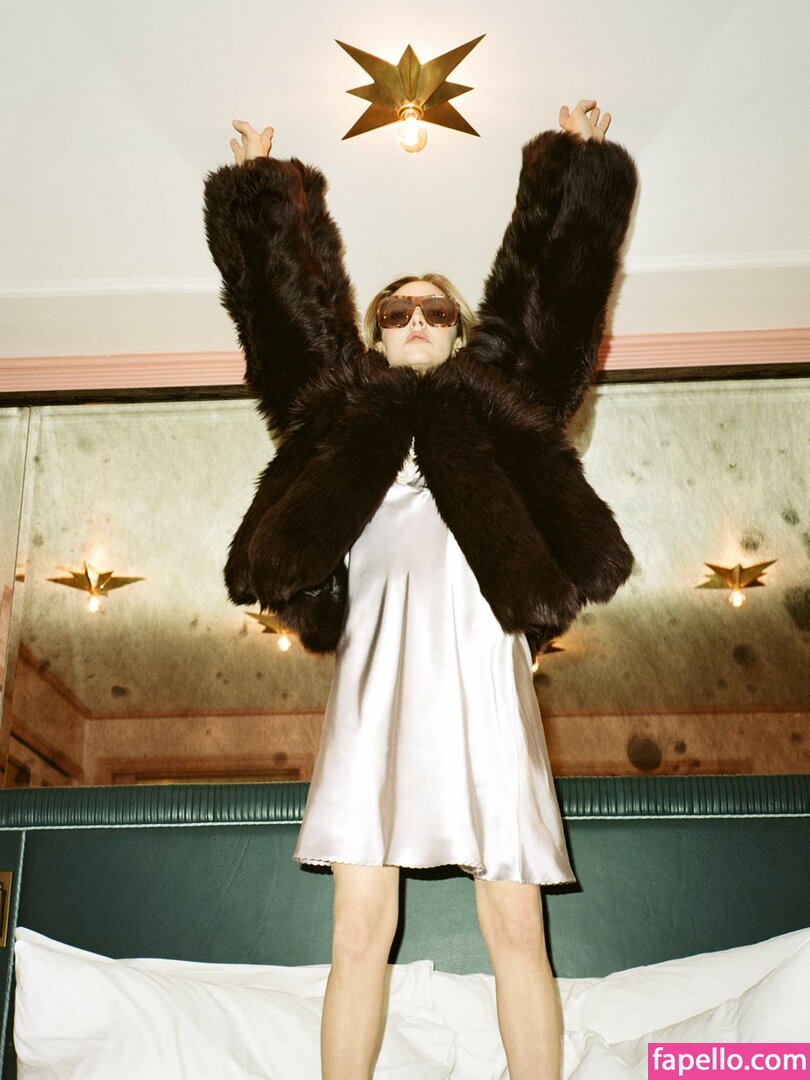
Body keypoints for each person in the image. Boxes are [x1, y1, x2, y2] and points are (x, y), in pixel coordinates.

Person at [204, 100, 638, 1080]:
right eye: (395, 311)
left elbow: (556, 304)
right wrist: (264, 190)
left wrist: (574, 169)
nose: (413, 320)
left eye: (434, 311)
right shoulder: (339, 414)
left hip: (484, 679)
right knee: (357, 929)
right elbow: (288, 320)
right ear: (374, 334)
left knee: (516, 925)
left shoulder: (499, 408)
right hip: (377, 686)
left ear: (460, 334)